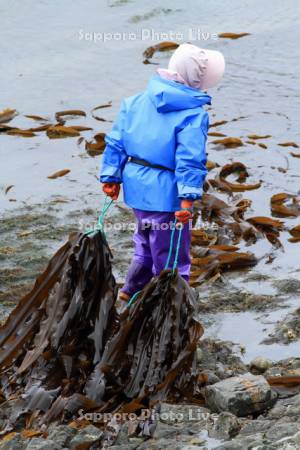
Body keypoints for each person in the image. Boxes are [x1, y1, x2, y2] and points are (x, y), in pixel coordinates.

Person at [100, 43, 225, 304]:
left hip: (136, 189)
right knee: (172, 253)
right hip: (167, 196)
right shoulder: (192, 115)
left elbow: (115, 141)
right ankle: (171, 303)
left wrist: (111, 177)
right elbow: (190, 161)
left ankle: (131, 289)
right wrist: (188, 199)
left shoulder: (134, 102)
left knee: (145, 242)